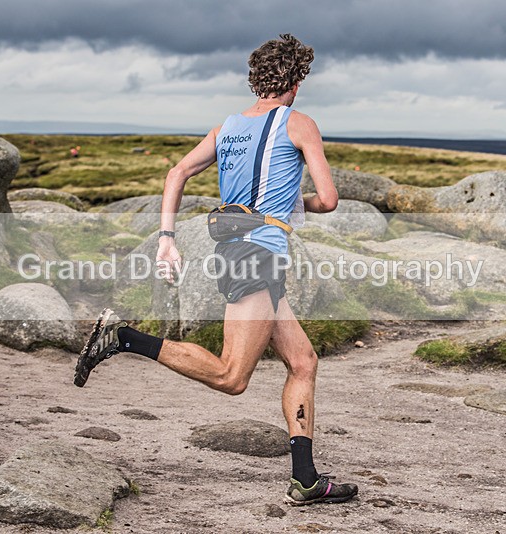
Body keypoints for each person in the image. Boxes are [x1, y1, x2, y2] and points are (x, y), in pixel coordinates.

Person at [74, 34, 358, 506]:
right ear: (297, 81)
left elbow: (177, 173)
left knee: (303, 361)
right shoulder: (299, 123)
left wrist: (166, 239)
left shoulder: (226, 128)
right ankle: (122, 337)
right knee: (231, 376)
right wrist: (290, 206)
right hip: (259, 255)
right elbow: (328, 200)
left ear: (256, 80)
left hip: (237, 250)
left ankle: (305, 478)